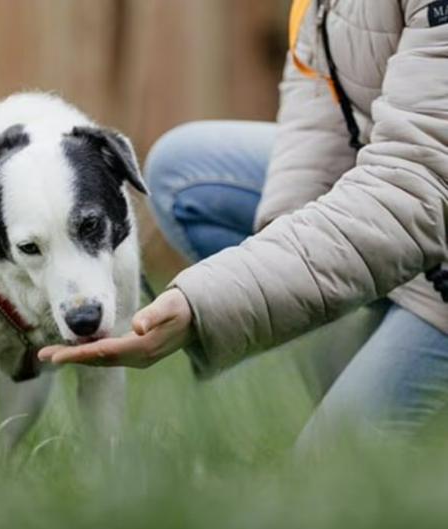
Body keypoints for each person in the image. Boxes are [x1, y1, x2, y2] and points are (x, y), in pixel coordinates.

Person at [40, 0, 448, 445]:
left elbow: (415, 185)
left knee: (326, 470)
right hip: (416, 217)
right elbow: (318, 131)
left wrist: (204, 304)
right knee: (187, 173)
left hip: (423, 216)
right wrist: (279, 276)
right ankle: (330, 377)